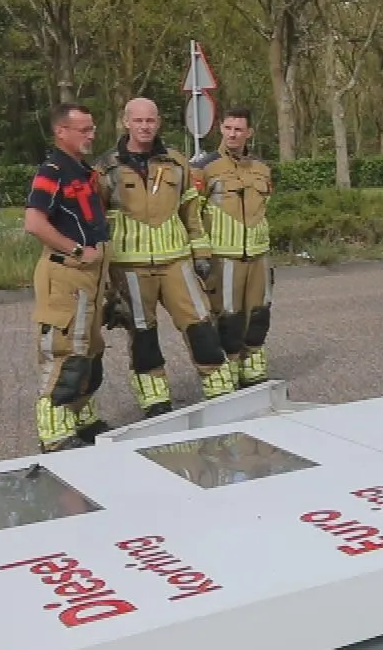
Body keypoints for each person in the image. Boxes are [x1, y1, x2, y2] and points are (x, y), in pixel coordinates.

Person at [93, 98, 233, 416]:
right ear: (126, 122)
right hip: (129, 265)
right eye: (138, 121)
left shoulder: (177, 162)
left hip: (177, 261)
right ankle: (155, 399)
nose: (145, 127)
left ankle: (220, 387)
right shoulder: (105, 168)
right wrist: (103, 274)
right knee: (142, 334)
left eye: (150, 121)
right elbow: (96, 221)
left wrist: (202, 253)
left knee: (200, 324)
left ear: (158, 123)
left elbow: (191, 212)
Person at [23, 103, 111, 450]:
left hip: (90, 276)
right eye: (84, 130)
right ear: (61, 132)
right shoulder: (52, 171)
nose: (91, 135)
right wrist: (76, 250)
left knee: (89, 350)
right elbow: (34, 223)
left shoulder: (83, 171)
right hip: (66, 274)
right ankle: (55, 435)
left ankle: (82, 419)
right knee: (66, 353)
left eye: (92, 128)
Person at [191, 108, 275, 387]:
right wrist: (200, 254)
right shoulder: (205, 167)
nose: (232, 134)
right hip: (223, 256)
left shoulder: (262, 167)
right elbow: (192, 212)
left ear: (249, 133)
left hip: (259, 255)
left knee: (259, 313)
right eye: (228, 128)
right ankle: (229, 367)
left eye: (238, 129)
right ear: (220, 129)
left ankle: (253, 367)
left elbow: (265, 205)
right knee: (228, 318)